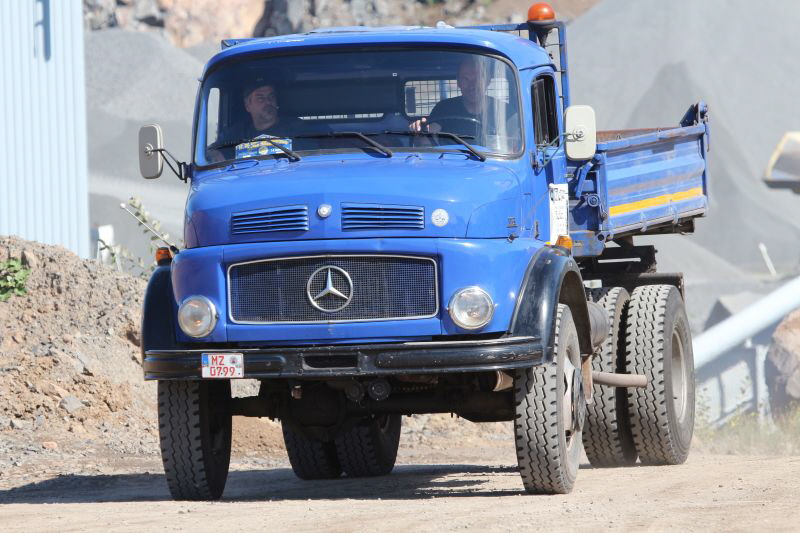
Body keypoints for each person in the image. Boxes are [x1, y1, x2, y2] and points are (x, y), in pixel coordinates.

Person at [207, 80, 305, 162]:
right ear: (247, 105)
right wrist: (215, 154)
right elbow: (210, 150)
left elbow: (309, 157)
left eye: (271, 97)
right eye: (260, 98)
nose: (268, 102)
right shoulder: (237, 132)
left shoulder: (296, 127)